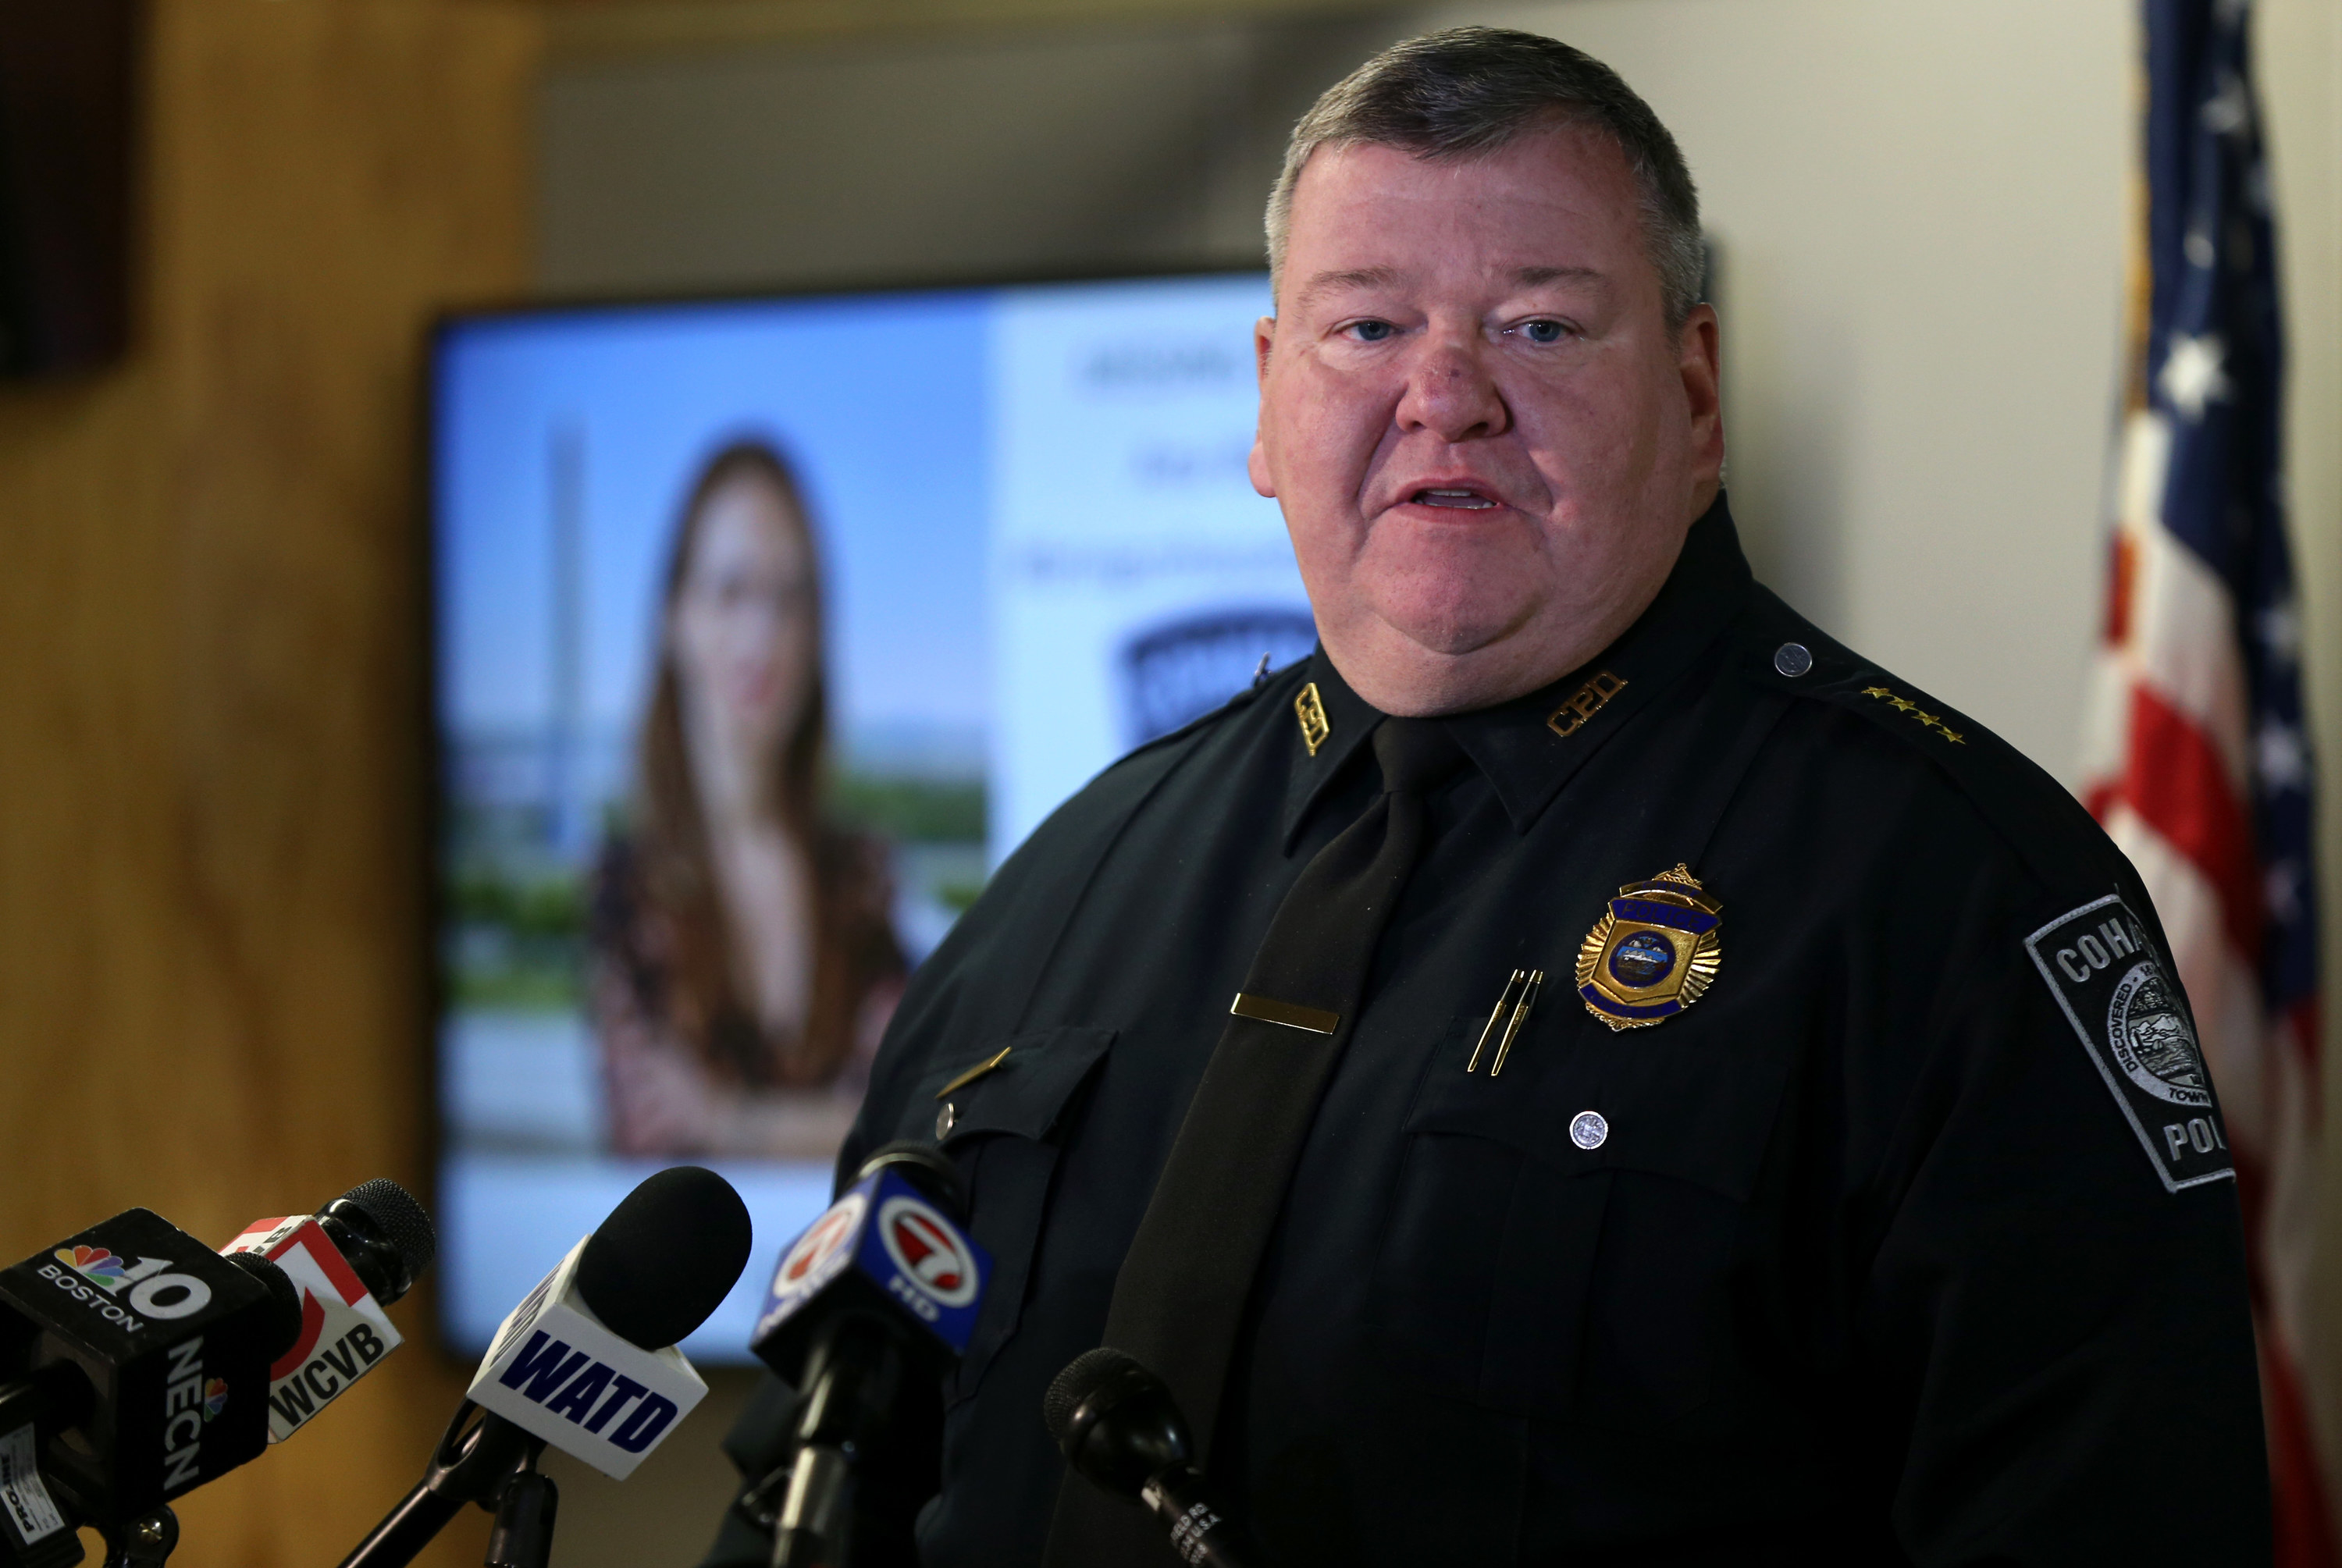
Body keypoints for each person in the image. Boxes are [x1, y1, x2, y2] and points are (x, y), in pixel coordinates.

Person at [703, 29, 2267, 1565]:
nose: (1444, 396)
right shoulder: (1071, 880)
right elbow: (817, 1482)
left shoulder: (1955, 894)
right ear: (1266, 402)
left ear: (1698, 389)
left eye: (1539, 327)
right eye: (1365, 328)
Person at [592, 440, 905, 1158]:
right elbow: (649, 1128)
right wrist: (825, 1125)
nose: (763, 637)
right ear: (677, 616)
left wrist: (731, 1120)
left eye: (791, 598)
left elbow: (910, 1116)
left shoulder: (863, 878)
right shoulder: (626, 888)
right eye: (731, 592)